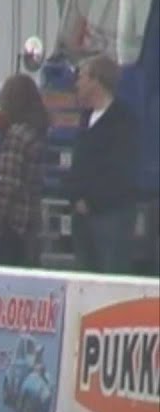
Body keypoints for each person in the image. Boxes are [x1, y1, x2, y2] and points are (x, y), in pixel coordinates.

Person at [66, 53, 140, 275]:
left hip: (110, 216)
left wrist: (92, 201)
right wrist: (74, 196)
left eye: (82, 77)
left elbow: (119, 170)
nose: (77, 83)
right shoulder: (85, 117)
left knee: (110, 274)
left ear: (96, 81)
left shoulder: (123, 120)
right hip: (82, 217)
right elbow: (79, 163)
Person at [0, 75, 49, 267]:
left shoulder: (15, 136)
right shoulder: (36, 132)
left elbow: (7, 184)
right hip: (29, 221)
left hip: (9, 226)